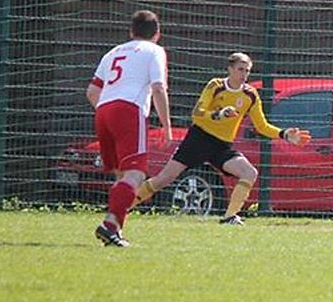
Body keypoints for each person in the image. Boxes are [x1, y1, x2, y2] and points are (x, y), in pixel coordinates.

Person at [133, 52, 311, 223]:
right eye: (241, 69)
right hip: (199, 139)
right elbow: (197, 113)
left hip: (221, 146)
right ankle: (124, 205)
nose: (244, 74)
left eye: (247, 70)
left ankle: (229, 217)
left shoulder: (250, 94)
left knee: (249, 173)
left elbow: (262, 126)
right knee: (164, 178)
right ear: (230, 69)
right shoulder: (215, 85)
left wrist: (284, 134)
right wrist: (219, 115)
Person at [87, 10, 171, 247]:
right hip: (128, 109)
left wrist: (108, 110)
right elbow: (158, 87)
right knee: (136, 173)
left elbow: (92, 92)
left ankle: (115, 230)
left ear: (131, 32)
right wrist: (166, 125)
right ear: (157, 34)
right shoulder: (155, 51)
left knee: (122, 175)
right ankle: (110, 225)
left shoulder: (112, 52)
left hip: (103, 109)